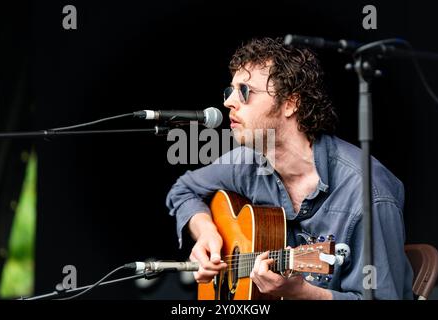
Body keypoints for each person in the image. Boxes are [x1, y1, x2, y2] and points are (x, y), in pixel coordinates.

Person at [166, 37, 413, 299]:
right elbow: (183, 191)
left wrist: (304, 293)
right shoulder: (247, 163)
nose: (229, 102)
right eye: (229, 91)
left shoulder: (368, 193)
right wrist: (206, 233)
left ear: (290, 103)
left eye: (245, 91)